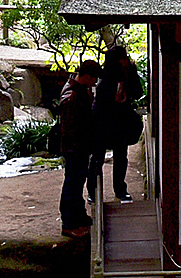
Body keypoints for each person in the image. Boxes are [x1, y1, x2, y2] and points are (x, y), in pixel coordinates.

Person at [89, 45, 143, 204]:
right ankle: (93, 192)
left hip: (121, 121)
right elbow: (102, 102)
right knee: (97, 158)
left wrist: (131, 75)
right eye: (122, 58)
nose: (125, 60)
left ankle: (121, 190)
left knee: (121, 156)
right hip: (103, 121)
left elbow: (138, 92)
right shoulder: (106, 78)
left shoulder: (129, 73)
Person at [57, 60, 102, 236]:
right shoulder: (72, 96)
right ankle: (69, 224)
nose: (95, 82)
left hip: (79, 147)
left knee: (76, 183)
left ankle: (79, 217)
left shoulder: (78, 91)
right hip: (74, 148)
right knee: (72, 185)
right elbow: (72, 127)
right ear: (86, 77)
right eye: (94, 78)